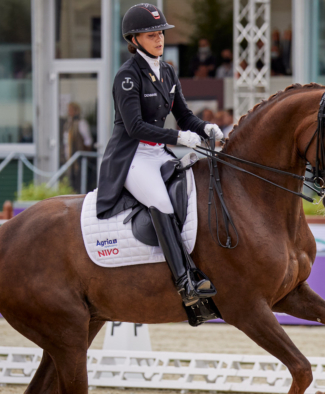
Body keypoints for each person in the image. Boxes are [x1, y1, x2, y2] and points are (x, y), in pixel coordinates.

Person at [97, 3, 222, 308]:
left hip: (159, 153)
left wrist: (207, 128)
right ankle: (185, 282)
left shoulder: (167, 72)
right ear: (135, 40)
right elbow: (135, 126)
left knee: (192, 193)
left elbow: (185, 116)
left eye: (161, 33)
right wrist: (179, 137)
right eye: (151, 35)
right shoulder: (127, 76)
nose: (159, 39)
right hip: (132, 157)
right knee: (162, 202)